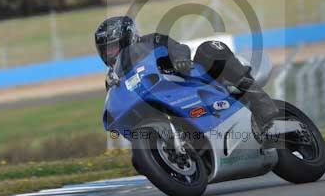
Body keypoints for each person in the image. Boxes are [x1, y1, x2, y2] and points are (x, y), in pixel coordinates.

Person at [94, 16, 279, 135]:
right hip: (160, 104)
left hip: (190, 79)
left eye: (113, 47)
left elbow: (177, 47)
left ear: (128, 38)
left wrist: (179, 59)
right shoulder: (114, 78)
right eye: (106, 50)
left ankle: (262, 104)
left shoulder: (151, 40)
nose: (110, 54)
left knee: (209, 48)